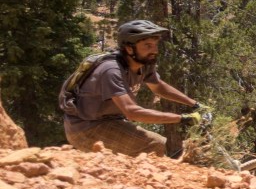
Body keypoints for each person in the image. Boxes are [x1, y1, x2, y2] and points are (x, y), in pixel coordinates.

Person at [60, 20, 204, 157]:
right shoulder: (111, 70)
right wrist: (182, 119)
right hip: (86, 128)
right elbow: (132, 112)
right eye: (148, 46)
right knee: (155, 144)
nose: (154, 50)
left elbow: (158, 87)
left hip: (109, 122)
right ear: (129, 49)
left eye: (155, 45)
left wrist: (194, 104)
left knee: (152, 146)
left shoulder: (143, 63)